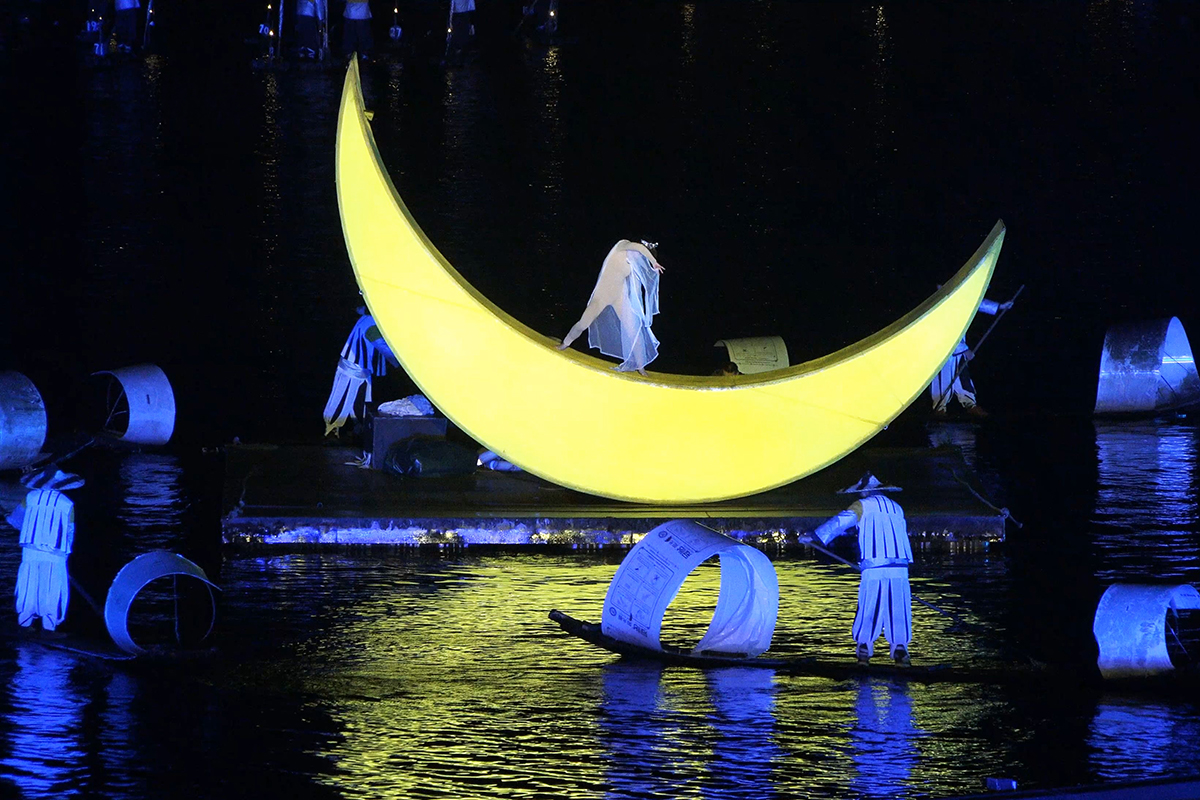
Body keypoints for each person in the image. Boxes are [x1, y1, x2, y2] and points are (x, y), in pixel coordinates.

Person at [801, 472, 913, 665]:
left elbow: (841, 522)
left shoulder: (863, 505)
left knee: (870, 604)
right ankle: (900, 649)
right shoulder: (897, 507)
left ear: (866, 491)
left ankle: (864, 649)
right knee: (898, 606)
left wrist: (814, 536)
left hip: (875, 565)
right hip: (900, 567)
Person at [557, 239, 665, 376]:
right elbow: (639, 247)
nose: (639, 258)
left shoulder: (633, 264)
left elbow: (636, 289)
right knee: (583, 323)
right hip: (601, 295)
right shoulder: (623, 246)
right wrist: (654, 262)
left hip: (619, 297)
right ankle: (565, 344)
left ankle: (640, 366)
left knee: (633, 331)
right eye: (641, 255)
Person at [930, 296, 1013, 417]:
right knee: (943, 377)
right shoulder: (942, 303)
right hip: (943, 348)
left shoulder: (960, 297)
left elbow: (975, 300)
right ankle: (939, 408)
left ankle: (970, 405)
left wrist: (999, 306)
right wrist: (964, 349)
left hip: (958, 347)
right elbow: (945, 332)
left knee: (962, 376)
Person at [323, 309, 399, 436]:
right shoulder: (372, 323)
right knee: (342, 398)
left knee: (359, 401)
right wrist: (400, 363)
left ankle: (357, 429)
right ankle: (332, 430)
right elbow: (383, 347)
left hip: (359, 368)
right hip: (354, 367)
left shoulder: (369, 318)